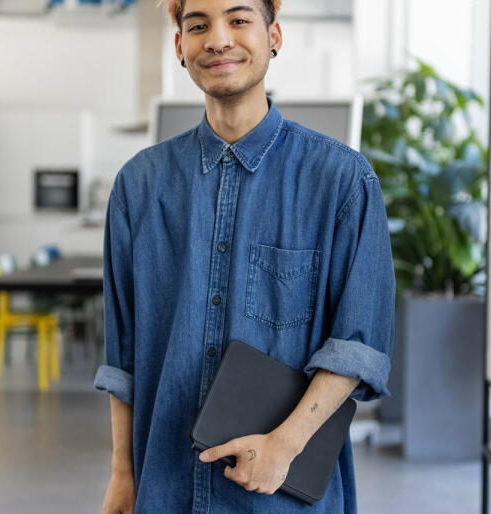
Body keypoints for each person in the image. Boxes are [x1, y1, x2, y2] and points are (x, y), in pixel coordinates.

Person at [95, 0, 395, 511]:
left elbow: (357, 346)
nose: (217, 39)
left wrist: (283, 446)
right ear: (179, 46)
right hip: (165, 487)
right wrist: (123, 476)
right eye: (198, 25)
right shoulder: (138, 186)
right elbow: (124, 362)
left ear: (273, 35)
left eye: (238, 20)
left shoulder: (342, 181)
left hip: (279, 494)